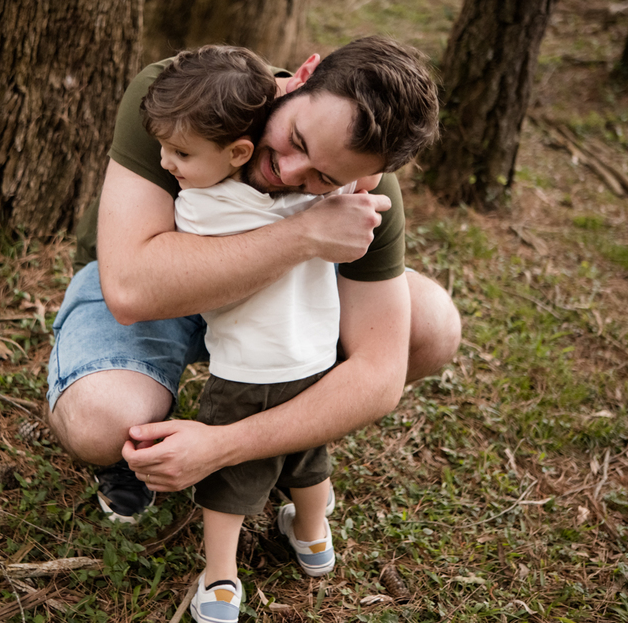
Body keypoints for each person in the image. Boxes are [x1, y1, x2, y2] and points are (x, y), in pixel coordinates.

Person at [45, 34, 461, 540]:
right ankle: (138, 443)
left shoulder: (367, 188)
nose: (289, 171)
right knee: (100, 420)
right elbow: (130, 290)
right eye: (298, 141)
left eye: (323, 177)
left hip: (282, 303)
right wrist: (304, 234)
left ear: (368, 176)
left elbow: (379, 376)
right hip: (160, 288)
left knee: (431, 324)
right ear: (303, 76)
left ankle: (276, 445)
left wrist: (223, 447)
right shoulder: (182, 94)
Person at [138, 45, 369, 621]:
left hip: (245, 370)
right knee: (307, 460)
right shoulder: (324, 200)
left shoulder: (201, 208)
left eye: (181, 153)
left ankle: (221, 580)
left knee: (228, 482)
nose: (166, 163)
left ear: (237, 152)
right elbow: (356, 181)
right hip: (313, 364)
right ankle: (313, 540)